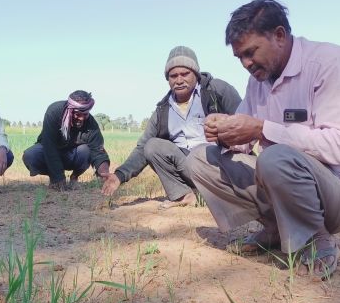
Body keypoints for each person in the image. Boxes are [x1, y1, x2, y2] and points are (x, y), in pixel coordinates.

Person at [188, 0, 340, 279]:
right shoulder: (258, 80)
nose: (246, 64)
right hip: (281, 176)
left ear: (279, 35)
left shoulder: (332, 63)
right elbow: (243, 139)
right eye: (240, 57)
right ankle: (277, 228)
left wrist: (263, 129)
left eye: (250, 52)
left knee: (275, 156)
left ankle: (314, 238)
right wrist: (224, 130)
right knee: (200, 159)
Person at [102, 46, 241, 207]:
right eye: (173, 76)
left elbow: (244, 120)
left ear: (195, 74)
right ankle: (185, 195)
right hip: (189, 168)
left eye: (185, 74)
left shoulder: (217, 90)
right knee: (152, 145)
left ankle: (228, 192)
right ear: (168, 79)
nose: (179, 80)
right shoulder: (163, 109)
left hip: (220, 165)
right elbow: (143, 146)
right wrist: (119, 175)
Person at [22, 90, 110, 190]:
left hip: (72, 155)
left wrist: (105, 175)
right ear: (70, 109)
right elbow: (49, 146)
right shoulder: (54, 112)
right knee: (30, 155)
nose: (81, 118)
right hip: (50, 152)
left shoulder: (91, 123)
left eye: (85, 114)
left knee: (86, 150)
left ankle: (74, 177)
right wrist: (57, 177)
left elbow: (98, 151)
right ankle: (54, 176)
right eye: (77, 114)